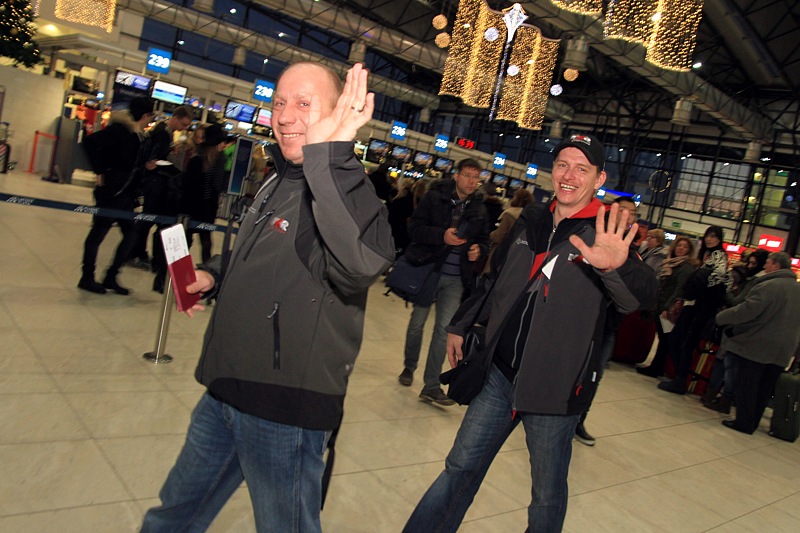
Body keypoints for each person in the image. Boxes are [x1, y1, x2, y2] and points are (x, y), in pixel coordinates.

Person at [140, 62, 394, 532]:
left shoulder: (344, 190)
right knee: (174, 512)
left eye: (303, 103)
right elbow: (264, 255)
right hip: (227, 388)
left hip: (283, 409)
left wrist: (332, 155)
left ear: (337, 112)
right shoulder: (279, 179)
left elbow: (362, 263)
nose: (285, 115)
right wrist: (214, 275)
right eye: (279, 102)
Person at [403, 133, 657, 532]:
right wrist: (461, 323)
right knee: (459, 468)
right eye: (562, 165)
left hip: (556, 389)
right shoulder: (532, 218)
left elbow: (640, 300)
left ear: (599, 179)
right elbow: (495, 278)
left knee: (546, 496)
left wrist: (613, 268)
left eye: (581, 169)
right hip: (499, 374)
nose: (569, 176)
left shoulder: (605, 232)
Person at [396, 159, 490, 405]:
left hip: (456, 278)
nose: (471, 181)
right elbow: (414, 228)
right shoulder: (435, 198)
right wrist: (441, 236)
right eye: (467, 175)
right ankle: (409, 366)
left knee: (443, 332)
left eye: (476, 177)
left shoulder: (479, 208)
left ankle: (431, 386)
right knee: (417, 324)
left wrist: (479, 250)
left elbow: (484, 240)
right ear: (456, 176)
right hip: (429, 271)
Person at [574, 194, 655, 446]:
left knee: (594, 375)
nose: (628, 216)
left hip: (609, 324)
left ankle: (578, 419)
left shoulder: (633, 253)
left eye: (633, 213)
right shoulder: (593, 237)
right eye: (623, 210)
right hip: (582, 319)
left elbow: (643, 292)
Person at [716, 252, 800, 434]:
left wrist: (722, 317)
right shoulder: (797, 289)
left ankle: (743, 422)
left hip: (759, 345)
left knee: (748, 384)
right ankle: (752, 422)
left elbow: (747, 310)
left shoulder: (769, 286)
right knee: (764, 388)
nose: (765, 266)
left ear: (776, 266)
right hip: (784, 349)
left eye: (768, 263)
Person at [78, 96, 154, 295]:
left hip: (126, 194)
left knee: (131, 233)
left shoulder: (138, 135)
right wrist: (100, 170)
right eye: (149, 117)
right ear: (145, 115)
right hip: (111, 192)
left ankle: (111, 275)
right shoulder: (120, 130)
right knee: (98, 233)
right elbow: (89, 142)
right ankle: (87, 277)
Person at [658, 225, 731, 395]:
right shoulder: (706, 255)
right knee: (679, 341)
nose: (710, 239)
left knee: (683, 342)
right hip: (694, 305)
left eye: (714, 236)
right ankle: (680, 377)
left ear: (719, 239)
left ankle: (681, 379)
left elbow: (716, 281)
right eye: (708, 236)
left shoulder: (718, 256)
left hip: (701, 308)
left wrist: (699, 290)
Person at [129, 106, 194, 271]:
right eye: (183, 124)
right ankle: (136, 253)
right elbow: (155, 159)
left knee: (149, 219)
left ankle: (138, 253)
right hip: (155, 182)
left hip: (156, 181)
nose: (183, 128)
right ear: (175, 118)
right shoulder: (162, 133)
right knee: (148, 219)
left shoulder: (165, 132)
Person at [637, 236, 699, 378]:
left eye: (685, 247)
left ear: (689, 251)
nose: (681, 248)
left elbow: (679, 289)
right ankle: (656, 366)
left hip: (669, 307)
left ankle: (657, 367)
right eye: (679, 245)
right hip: (662, 303)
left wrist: (667, 307)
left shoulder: (686, 267)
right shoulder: (670, 263)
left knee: (665, 339)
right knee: (662, 338)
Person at [482, 187, 533, 273]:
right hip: (515, 257)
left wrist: (490, 235)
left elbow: (498, 236)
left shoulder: (510, 214)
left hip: (499, 253)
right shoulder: (530, 217)